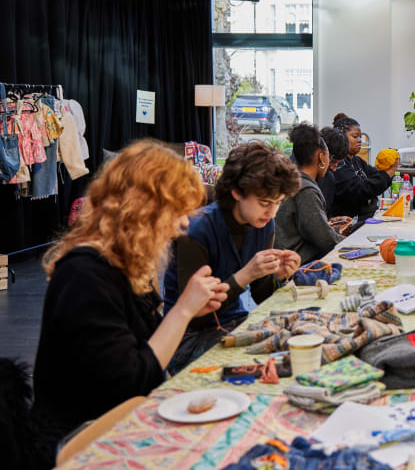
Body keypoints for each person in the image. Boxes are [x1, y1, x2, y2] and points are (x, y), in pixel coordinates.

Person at [31, 141, 230, 456]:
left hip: (121, 422)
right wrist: (182, 311)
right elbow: (131, 382)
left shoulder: (125, 266)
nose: (183, 224)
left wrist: (188, 313)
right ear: (145, 209)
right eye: (177, 212)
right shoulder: (84, 275)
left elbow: (144, 355)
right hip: (84, 443)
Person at [162, 141, 302, 372]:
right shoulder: (196, 231)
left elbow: (260, 295)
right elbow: (194, 314)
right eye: (265, 202)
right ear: (236, 192)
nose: (272, 212)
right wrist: (245, 275)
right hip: (186, 338)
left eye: (278, 203)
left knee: (298, 345)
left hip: (234, 322)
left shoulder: (263, 224)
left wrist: (277, 276)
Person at [276, 123, 346, 263]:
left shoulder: (291, 181)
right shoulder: (306, 190)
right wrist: (353, 243)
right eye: (328, 156)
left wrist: (335, 228)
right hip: (299, 264)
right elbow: (325, 240)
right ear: (321, 157)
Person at [322, 113, 395, 223]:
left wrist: (388, 170)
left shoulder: (357, 161)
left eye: (360, 137)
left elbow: (376, 176)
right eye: (355, 136)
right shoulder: (338, 165)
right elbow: (360, 189)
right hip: (352, 221)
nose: (360, 140)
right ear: (341, 137)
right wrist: (389, 172)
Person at [318, 126, 355, 234]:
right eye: (333, 162)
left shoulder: (329, 178)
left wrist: (332, 221)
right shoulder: (303, 183)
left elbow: (325, 215)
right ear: (322, 155)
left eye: (339, 164)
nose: (334, 168)